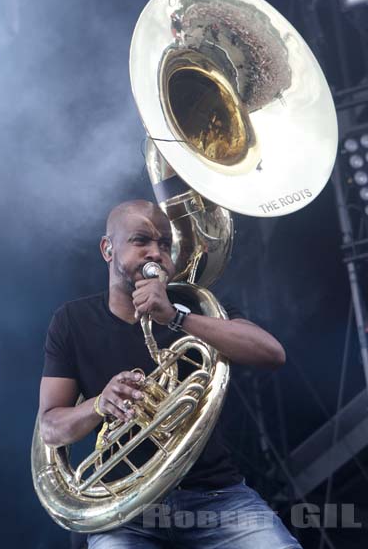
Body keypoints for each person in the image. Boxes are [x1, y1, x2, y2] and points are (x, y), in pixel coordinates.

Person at [39, 199, 302, 549]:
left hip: (216, 497)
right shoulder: (71, 321)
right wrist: (100, 403)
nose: (156, 253)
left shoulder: (197, 304)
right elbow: (51, 427)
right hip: (126, 510)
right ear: (108, 248)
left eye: (165, 244)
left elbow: (272, 354)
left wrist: (177, 318)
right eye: (140, 241)